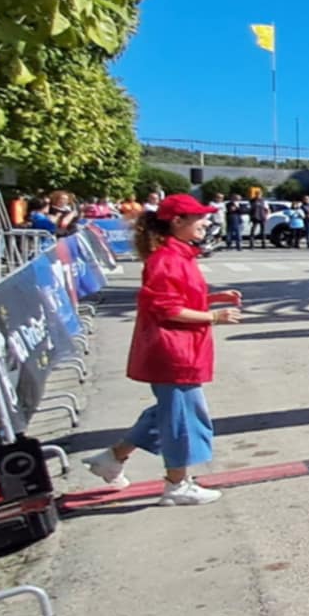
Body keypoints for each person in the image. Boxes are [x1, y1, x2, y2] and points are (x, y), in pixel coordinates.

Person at [81, 194, 245, 506]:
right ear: (177, 221)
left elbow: (179, 298)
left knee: (166, 413)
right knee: (183, 417)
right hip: (174, 351)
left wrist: (212, 299)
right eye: (199, 218)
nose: (206, 222)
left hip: (182, 349)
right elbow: (167, 309)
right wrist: (213, 316)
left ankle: (113, 458)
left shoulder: (178, 255)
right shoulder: (167, 259)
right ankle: (176, 484)